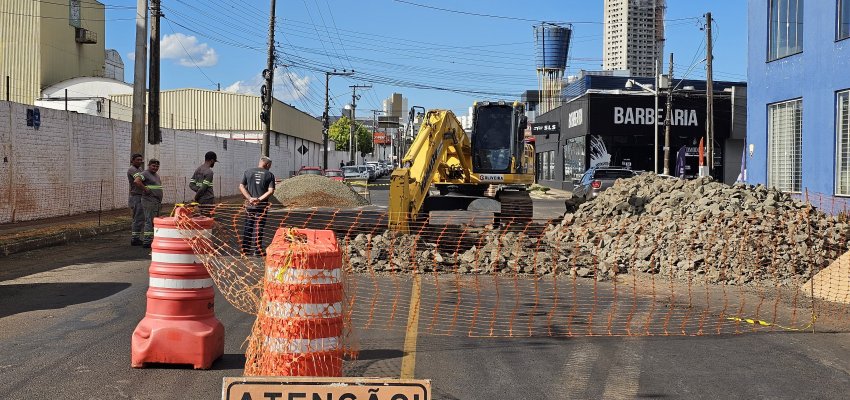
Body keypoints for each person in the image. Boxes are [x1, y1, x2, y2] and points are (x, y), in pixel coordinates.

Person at [239, 156, 276, 257]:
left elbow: (241, 186)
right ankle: (257, 250)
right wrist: (259, 199)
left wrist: (250, 198)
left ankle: (245, 250)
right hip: (262, 206)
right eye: (270, 165)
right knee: (259, 227)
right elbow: (271, 190)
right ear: (267, 164)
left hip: (249, 205)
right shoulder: (269, 174)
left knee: (248, 226)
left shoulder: (248, 172)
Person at [134, 159, 163, 248]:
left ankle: (152, 239)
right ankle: (147, 241)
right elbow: (137, 181)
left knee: (154, 221)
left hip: (155, 201)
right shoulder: (145, 173)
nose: (155, 168)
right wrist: (145, 189)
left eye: (157, 166)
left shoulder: (156, 175)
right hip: (149, 201)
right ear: (149, 165)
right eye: (153, 166)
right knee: (149, 220)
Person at [127, 153, 145, 246]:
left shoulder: (140, 169)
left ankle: (137, 237)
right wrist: (146, 189)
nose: (139, 161)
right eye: (137, 160)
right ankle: (135, 239)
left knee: (140, 218)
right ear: (132, 160)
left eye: (140, 160)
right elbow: (139, 181)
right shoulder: (132, 169)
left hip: (140, 196)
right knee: (137, 218)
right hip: (136, 197)